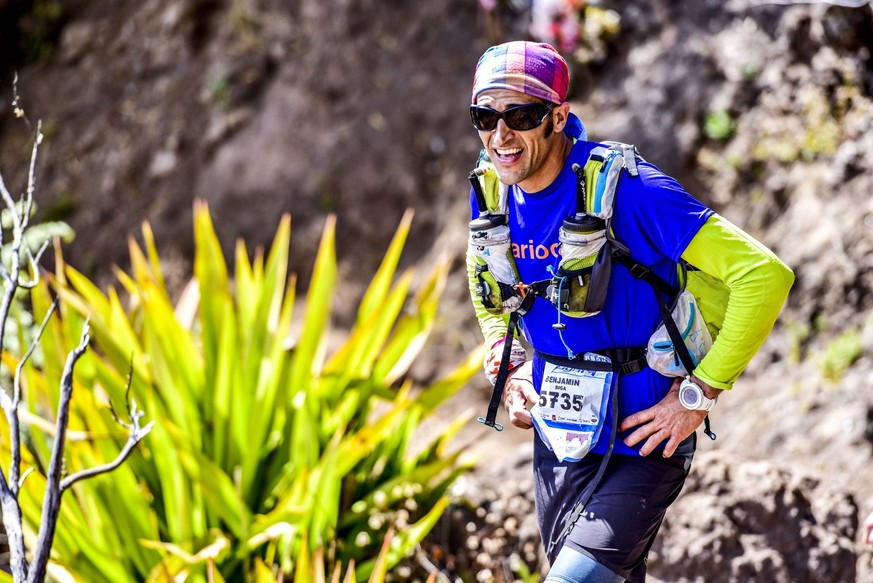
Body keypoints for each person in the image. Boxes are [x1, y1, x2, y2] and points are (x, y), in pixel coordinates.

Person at [464, 41, 794, 582]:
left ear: (558, 116)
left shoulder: (632, 193)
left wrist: (700, 393)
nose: (500, 136)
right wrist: (508, 356)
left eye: (520, 115)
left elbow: (763, 276)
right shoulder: (492, 191)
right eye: (485, 116)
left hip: (642, 441)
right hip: (559, 440)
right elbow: (488, 286)